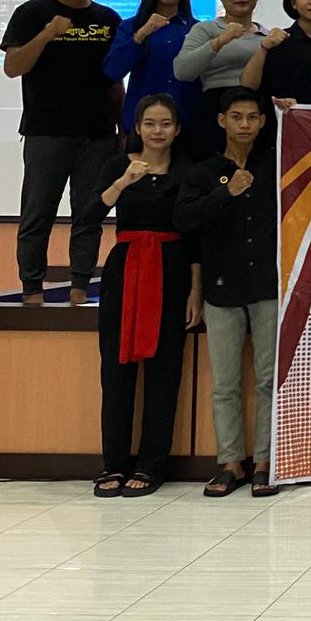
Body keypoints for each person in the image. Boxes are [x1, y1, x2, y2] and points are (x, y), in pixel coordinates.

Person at [87, 94, 200, 498]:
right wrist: (123, 183)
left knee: (165, 371)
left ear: (177, 129)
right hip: (126, 268)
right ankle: (113, 464)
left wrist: (196, 291)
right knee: (116, 370)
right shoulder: (118, 165)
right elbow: (89, 214)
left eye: (165, 123)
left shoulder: (188, 171)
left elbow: (195, 236)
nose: (157, 131)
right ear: (137, 128)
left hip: (172, 269)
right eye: (149, 123)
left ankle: (152, 465)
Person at [1, 0, 123, 306]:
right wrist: (47, 34)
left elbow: (114, 80)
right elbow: (13, 67)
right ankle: (32, 293)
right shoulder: (32, 13)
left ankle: (79, 291)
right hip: (46, 133)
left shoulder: (107, 19)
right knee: (37, 215)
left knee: (89, 216)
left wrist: (123, 128)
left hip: (97, 134)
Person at [175, 88, 280, 499]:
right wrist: (225, 193)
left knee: (269, 380)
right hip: (220, 287)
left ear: (263, 122)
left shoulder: (276, 163)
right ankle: (230, 463)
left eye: (252, 117)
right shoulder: (203, 172)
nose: (245, 125)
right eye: (236, 117)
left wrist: (294, 113)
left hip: (268, 286)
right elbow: (183, 220)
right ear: (222, 121)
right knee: (225, 384)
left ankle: (265, 463)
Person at [174, 0, 268, 159]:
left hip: (257, 113)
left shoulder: (268, 36)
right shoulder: (205, 29)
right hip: (215, 110)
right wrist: (220, 41)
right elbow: (182, 70)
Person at [104, 0, 202, 137]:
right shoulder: (130, 27)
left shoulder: (198, 30)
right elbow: (113, 71)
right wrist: (140, 35)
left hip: (188, 125)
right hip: (143, 126)